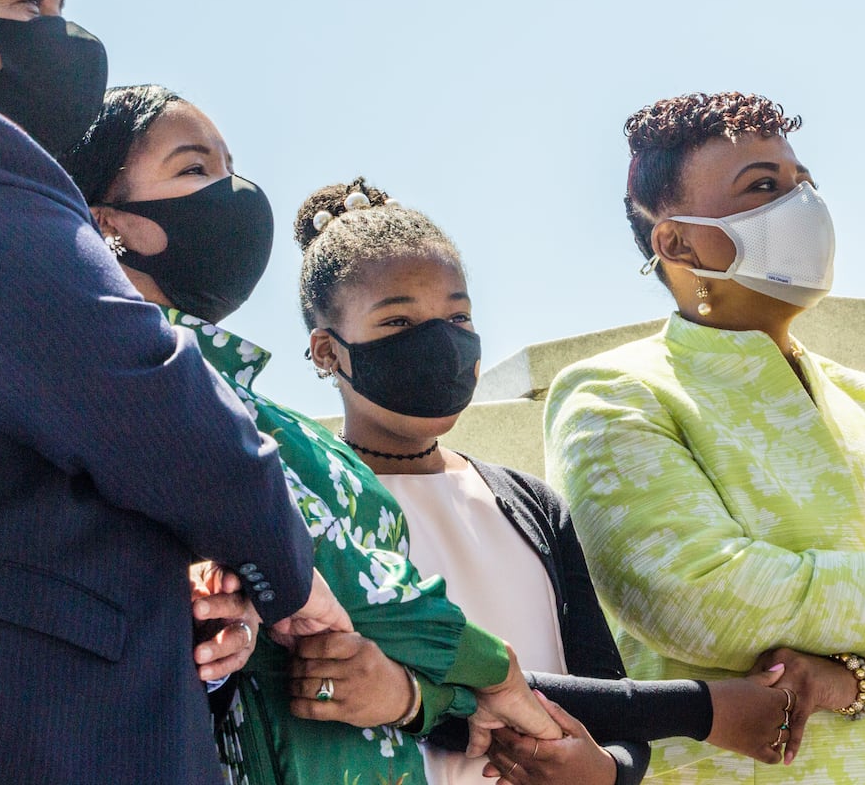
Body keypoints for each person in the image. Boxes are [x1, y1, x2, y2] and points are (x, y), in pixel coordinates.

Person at [0, 0, 349, 784]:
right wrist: (291, 578)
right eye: (29, 3)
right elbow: (134, 389)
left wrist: (185, 590)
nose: (63, 37)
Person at [545, 91, 865, 784]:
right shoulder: (616, 391)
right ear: (676, 242)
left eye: (802, 183)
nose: (802, 207)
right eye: (763, 187)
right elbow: (697, 596)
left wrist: (853, 682)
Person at [61, 86, 559, 785]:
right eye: (195, 168)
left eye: (230, 165)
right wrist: (495, 672)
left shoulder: (268, 412)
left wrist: (431, 698)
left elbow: (353, 635)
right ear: (106, 221)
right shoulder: (140, 378)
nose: (234, 193)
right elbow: (328, 561)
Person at [294, 176, 804, 784]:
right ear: (327, 353)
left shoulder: (529, 501)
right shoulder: (311, 500)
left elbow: (608, 698)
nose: (440, 344)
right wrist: (703, 708)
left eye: (458, 317)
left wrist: (607, 772)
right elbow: (413, 676)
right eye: (399, 324)